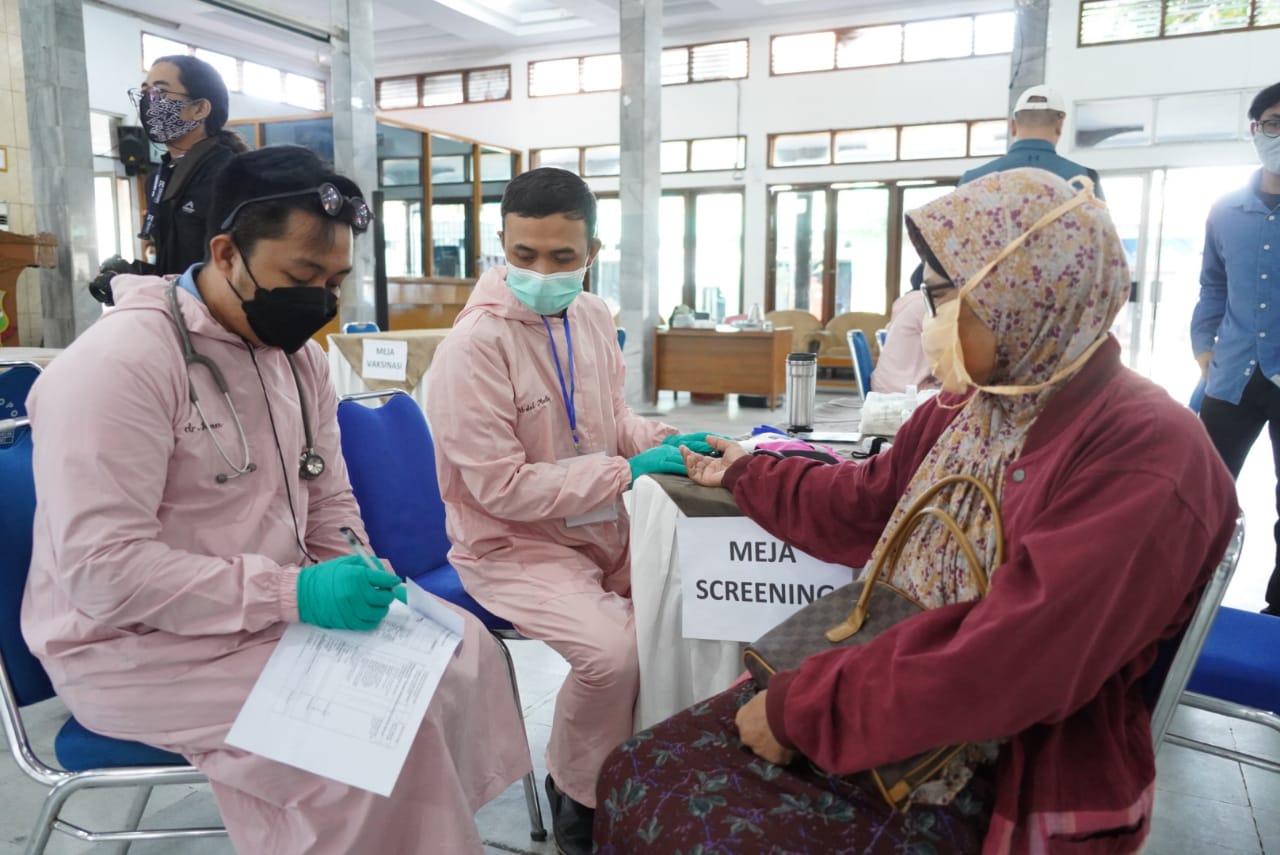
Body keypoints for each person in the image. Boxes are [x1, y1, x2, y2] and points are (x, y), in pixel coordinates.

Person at [593, 169, 1238, 855]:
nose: (933, 320)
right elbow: (862, 500)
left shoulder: (1145, 450)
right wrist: (750, 471)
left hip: (1002, 761)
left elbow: (1015, 659)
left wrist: (800, 708)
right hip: (889, 685)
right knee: (632, 771)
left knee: (689, 826)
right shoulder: (979, 403)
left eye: (948, 295)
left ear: (1027, 294)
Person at [22, 145, 531, 853]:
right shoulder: (120, 366)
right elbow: (105, 573)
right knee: (368, 741)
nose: (320, 298)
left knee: (460, 645)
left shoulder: (298, 360)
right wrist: (295, 595)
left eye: (335, 280)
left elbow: (329, 495)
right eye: (302, 274)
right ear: (227, 252)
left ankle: (427, 830)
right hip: (137, 647)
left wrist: (356, 568)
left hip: (264, 612)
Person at [426, 167, 706, 855]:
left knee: (693, 608)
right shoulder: (473, 346)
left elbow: (611, 418)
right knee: (613, 655)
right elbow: (502, 489)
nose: (541, 271)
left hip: (601, 526)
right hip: (511, 545)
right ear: (500, 243)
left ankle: (658, 773)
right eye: (524, 256)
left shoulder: (591, 315)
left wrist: (666, 444)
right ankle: (577, 790)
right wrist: (624, 471)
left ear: (593, 251)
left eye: (562, 257)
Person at [1191, 81, 1280, 617]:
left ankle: (1277, 617)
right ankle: (1184, 594)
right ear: (1255, 131)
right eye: (1273, 123)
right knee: (1201, 491)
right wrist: (1204, 347)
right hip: (1232, 376)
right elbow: (1213, 285)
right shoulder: (1226, 211)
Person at [90, 54, 249, 306]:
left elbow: (230, 269)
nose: (148, 103)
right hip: (179, 314)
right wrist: (130, 275)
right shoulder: (160, 177)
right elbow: (175, 267)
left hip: (220, 321)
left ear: (199, 108)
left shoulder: (231, 174)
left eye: (160, 93)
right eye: (144, 94)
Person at [960, 85, 1104, 200]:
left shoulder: (972, 179)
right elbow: (1100, 232)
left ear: (1013, 126)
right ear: (1060, 126)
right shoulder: (1085, 179)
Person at [870, 263, 939, 394]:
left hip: (887, 384)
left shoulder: (905, 302)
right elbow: (949, 347)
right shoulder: (924, 304)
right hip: (904, 389)